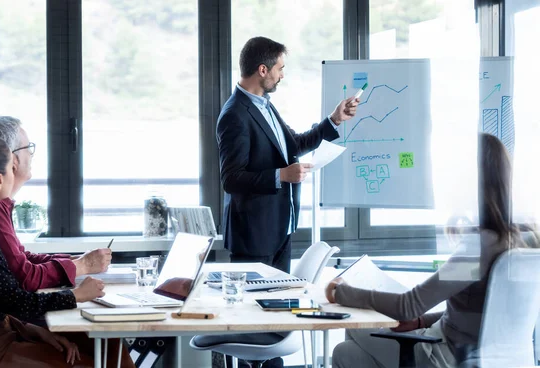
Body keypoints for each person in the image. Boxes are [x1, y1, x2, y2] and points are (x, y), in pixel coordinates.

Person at [326, 133, 526, 368]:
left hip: (444, 356)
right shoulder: (521, 239)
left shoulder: (477, 250)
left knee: (352, 334)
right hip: (496, 357)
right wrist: (420, 321)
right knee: (346, 354)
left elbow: (408, 305)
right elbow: (481, 315)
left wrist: (340, 292)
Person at [0, 133, 134, 368]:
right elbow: (15, 301)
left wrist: (32, 330)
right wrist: (76, 295)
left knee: (106, 348)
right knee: (94, 361)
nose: (16, 174)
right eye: (12, 169)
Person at [218, 36, 359, 274]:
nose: (282, 75)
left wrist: (334, 119)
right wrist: (281, 175)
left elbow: (293, 144)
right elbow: (231, 179)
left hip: (280, 229)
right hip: (254, 237)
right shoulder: (235, 115)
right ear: (263, 70)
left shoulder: (264, 105)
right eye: (280, 69)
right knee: (253, 308)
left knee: (279, 304)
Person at [0, 116, 112, 292]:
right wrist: (83, 265)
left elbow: (22, 258)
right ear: (12, 160)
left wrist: (75, 260)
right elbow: (24, 277)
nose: (31, 154)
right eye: (28, 148)